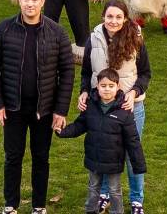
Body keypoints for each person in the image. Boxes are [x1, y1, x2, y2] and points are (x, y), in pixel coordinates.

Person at [0, 0, 75, 214]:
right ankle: (10, 206)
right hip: (13, 109)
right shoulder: (3, 30)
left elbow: (67, 72)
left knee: (41, 158)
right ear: (19, 0)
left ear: (42, 2)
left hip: (44, 110)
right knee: (13, 157)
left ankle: (39, 206)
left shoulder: (57, 33)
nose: (30, 4)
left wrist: (61, 110)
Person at [77, 0, 150, 214]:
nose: (114, 21)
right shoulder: (94, 38)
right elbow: (86, 72)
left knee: (130, 155)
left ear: (125, 18)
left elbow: (145, 73)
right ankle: (105, 195)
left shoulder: (135, 38)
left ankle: (136, 200)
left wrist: (134, 92)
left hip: (130, 108)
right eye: (110, 16)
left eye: (119, 17)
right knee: (107, 153)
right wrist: (84, 91)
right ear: (103, 17)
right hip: (102, 108)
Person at [57, 69, 147, 214]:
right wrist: (63, 131)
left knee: (114, 191)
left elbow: (133, 140)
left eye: (111, 86)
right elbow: (80, 125)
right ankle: (90, 210)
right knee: (93, 188)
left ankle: (117, 211)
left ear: (118, 87)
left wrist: (139, 164)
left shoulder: (124, 111)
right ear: (97, 86)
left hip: (114, 162)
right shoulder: (91, 106)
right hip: (94, 158)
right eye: (103, 86)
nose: (107, 89)